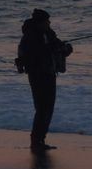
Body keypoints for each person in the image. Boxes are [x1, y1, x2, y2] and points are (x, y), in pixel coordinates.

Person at [16, 9, 73, 151]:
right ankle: (36, 141)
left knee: (47, 109)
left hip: (49, 74)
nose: (49, 22)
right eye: (47, 21)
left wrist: (66, 49)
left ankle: (40, 140)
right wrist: (52, 48)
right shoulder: (30, 36)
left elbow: (58, 48)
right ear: (40, 22)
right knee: (42, 109)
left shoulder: (48, 33)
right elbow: (34, 55)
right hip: (38, 75)